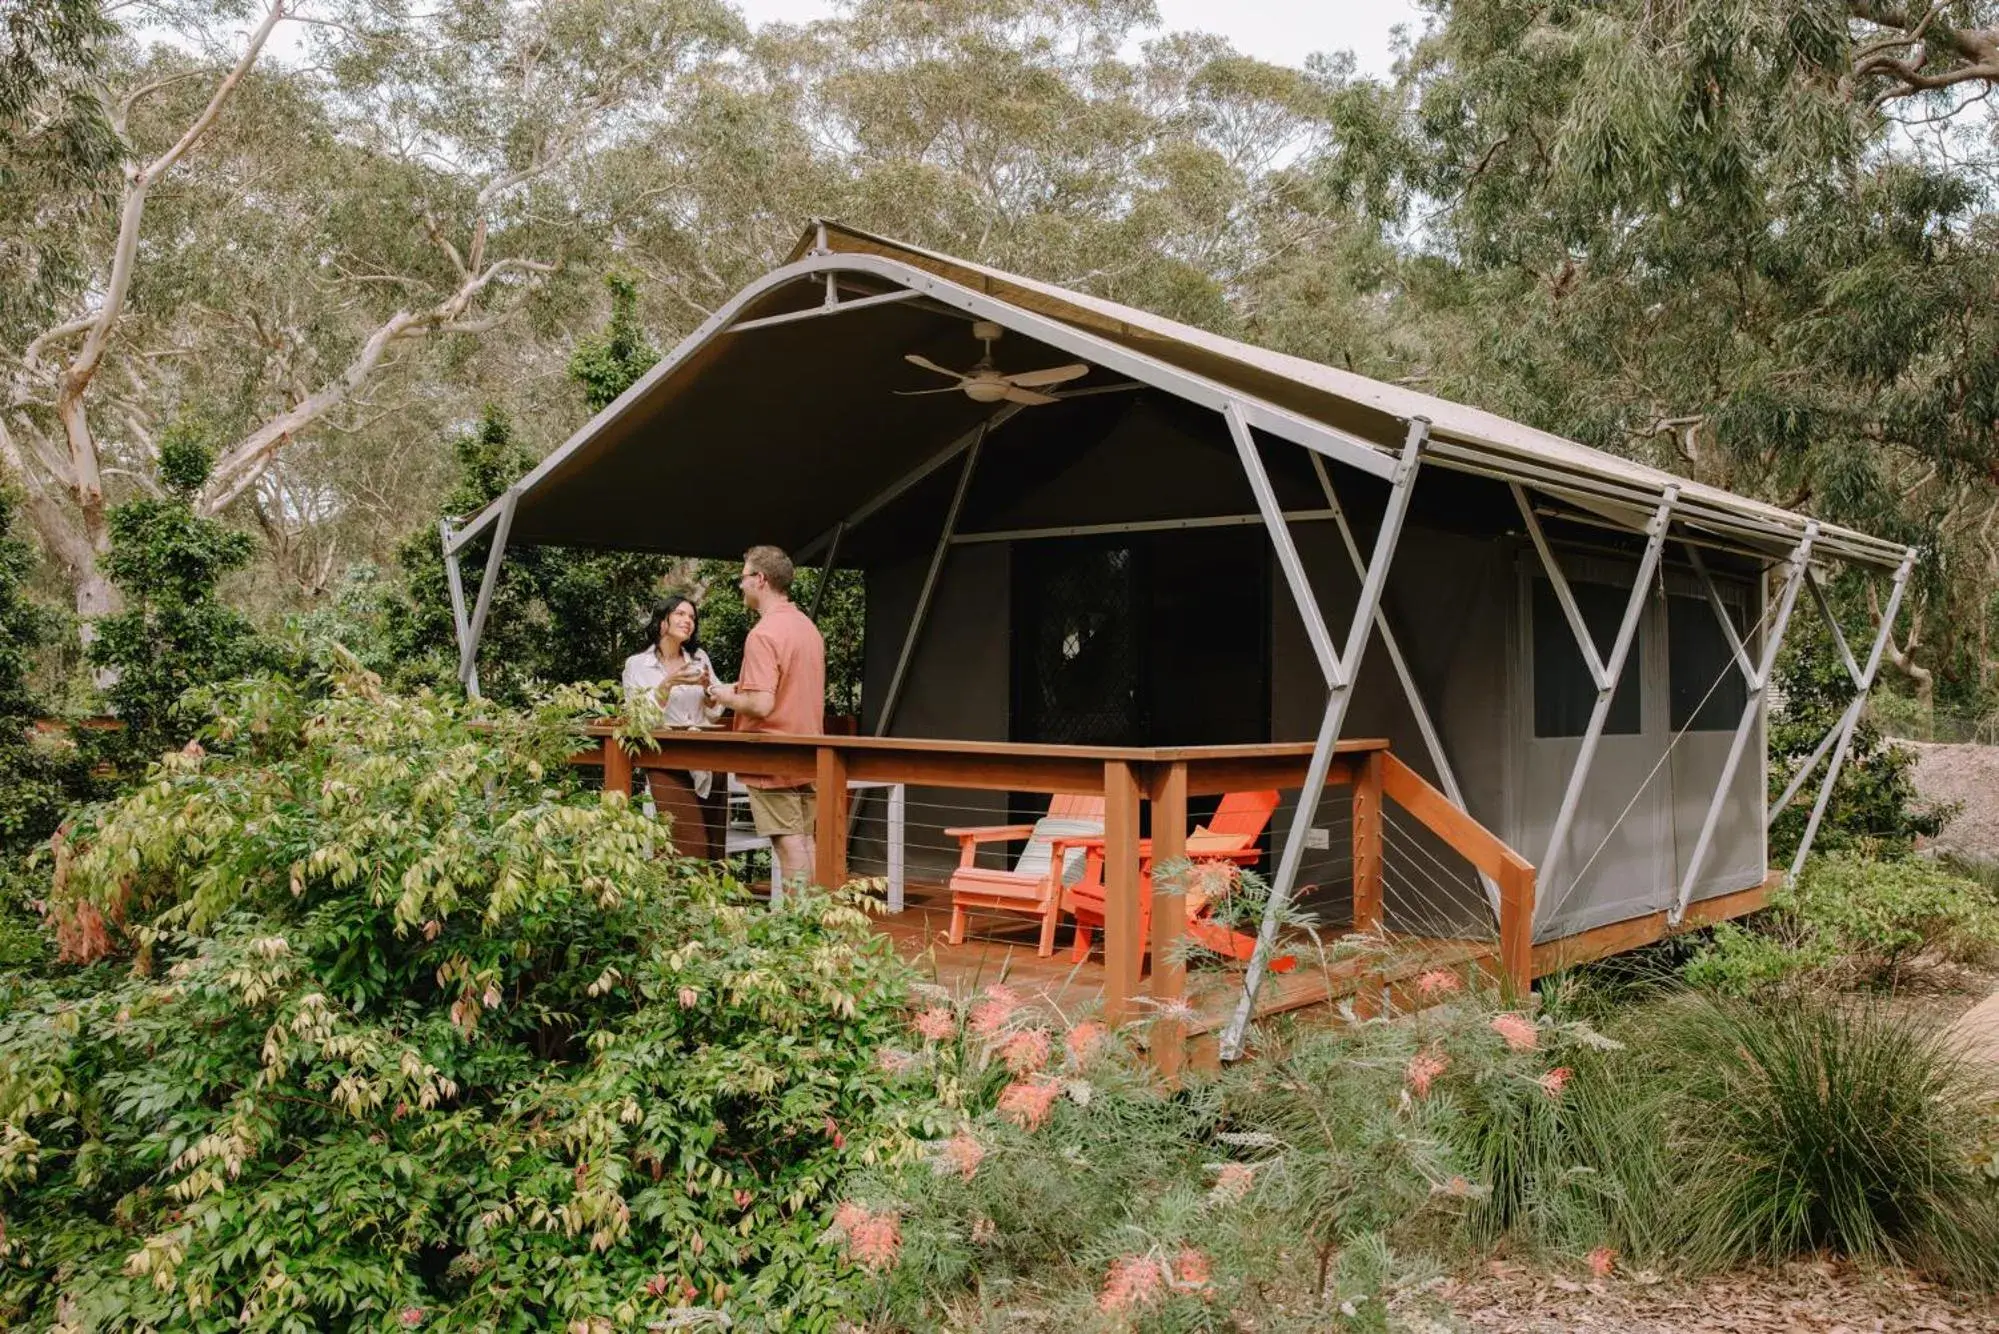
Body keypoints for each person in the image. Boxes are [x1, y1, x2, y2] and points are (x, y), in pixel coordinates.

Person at [709, 545, 826, 897]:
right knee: (806, 840)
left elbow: (761, 704)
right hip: (807, 752)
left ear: (760, 580)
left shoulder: (763, 634)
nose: (740, 585)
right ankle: (815, 923)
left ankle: (798, 931)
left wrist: (724, 695)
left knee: (789, 845)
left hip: (772, 756)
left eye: (743, 577)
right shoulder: (806, 628)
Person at [621, 595, 725, 859]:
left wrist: (709, 690)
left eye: (691, 617)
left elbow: (715, 711)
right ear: (662, 621)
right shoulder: (637, 665)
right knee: (688, 842)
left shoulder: (699, 658)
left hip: (707, 756)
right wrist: (667, 684)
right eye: (680, 614)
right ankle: (681, 898)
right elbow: (638, 718)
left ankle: (710, 898)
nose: (687, 621)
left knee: (714, 844)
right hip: (664, 757)